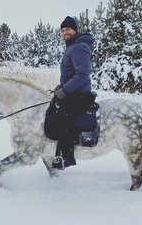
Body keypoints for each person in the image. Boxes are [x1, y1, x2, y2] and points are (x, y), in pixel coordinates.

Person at [52, 16, 95, 170]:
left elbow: (82, 75)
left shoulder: (79, 47)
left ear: (74, 30)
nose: (65, 33)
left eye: (68, 29)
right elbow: (71, 73)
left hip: (80, 94)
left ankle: (68, 157)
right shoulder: (73, 46)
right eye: (63, 30)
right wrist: (61, 86)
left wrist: (65, 90)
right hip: (73, 91)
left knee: (63, 116)